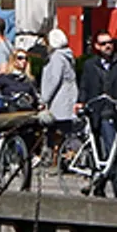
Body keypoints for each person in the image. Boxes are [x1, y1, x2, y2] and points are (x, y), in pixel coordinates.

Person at [83, 34, 117, 196]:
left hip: (113, 111)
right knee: (98, 151)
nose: (108, 46)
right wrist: (80, 102)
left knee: (113, 149)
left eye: (110, 42)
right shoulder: (89, 64)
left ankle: (116, 187)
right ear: (97, 46)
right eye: (104, 43)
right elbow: (84, 85)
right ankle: (99, 184)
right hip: (95, 109)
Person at [40, 29, 81, 173]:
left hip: (59, 101)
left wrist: (44, 98)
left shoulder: (57, 57)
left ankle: (57, 163)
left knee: (57, 132)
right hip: (68, 98)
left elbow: (54, 80)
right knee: (65, 132)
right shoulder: (68, 55)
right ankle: (65, 160)